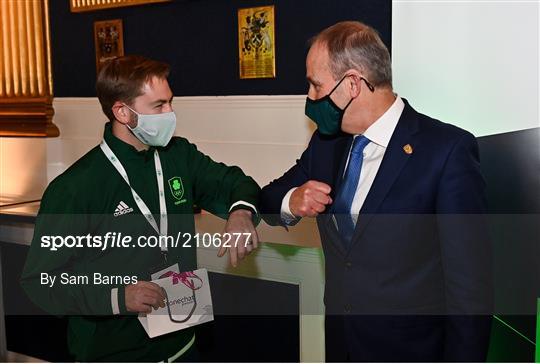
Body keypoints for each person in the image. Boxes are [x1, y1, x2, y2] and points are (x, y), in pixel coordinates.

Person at [260, 21, 493, 362]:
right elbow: (268, 198)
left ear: (352, 83)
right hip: (341, 348)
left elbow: (470, 292)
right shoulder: (327, 145)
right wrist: (292, 202)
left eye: (315, 85)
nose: (310, 97)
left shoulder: (446, 151)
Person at [21, 55, 260, 362]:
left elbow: (236, 183)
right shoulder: (75, 188)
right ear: (122, 111)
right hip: (112, 352)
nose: (170, 113)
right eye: (159, 106)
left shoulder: (178, 155)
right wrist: (117, 297)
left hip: (182, 344)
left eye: (170, 102)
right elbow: (41, 282)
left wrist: (240, 213)